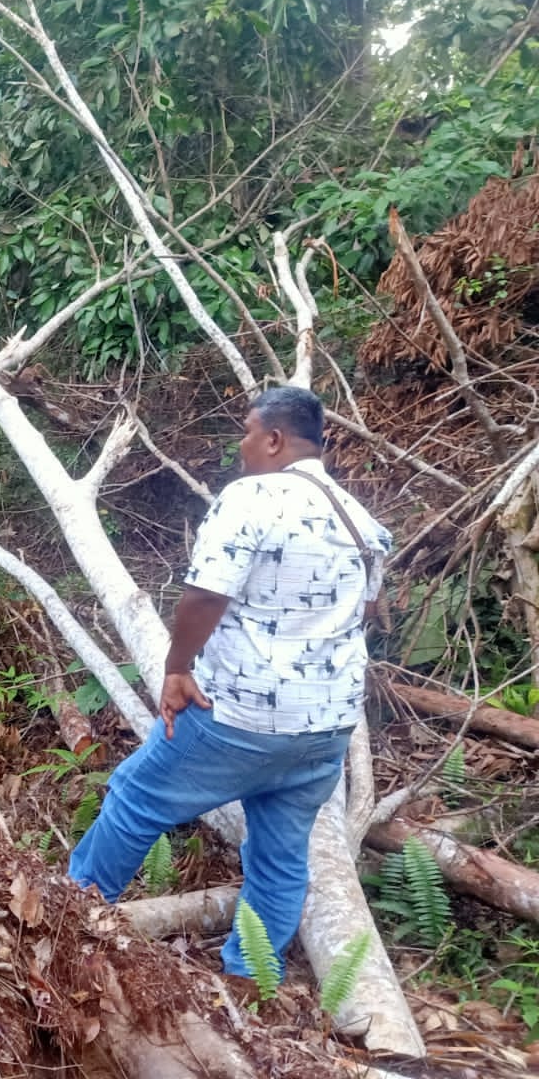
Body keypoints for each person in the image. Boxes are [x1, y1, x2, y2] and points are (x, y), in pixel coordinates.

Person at [68, 387, 391, 984]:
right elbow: (365, 612)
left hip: (239, 716)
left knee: (135, 799)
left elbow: (206, 595)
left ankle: (64, 928)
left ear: (273, 439)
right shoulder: (362, 521)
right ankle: (251, 981)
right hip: (325, 729)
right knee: (280, 857)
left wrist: (177, 668)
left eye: (247, 433)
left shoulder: (252, 497)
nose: (241, 446)